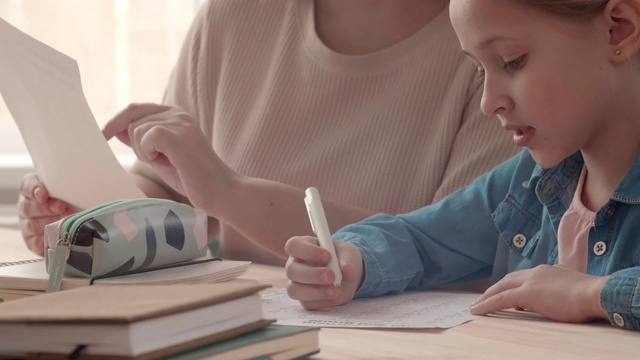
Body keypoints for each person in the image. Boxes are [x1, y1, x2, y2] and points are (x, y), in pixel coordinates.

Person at [17, 0, 516, 265]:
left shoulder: (496, 52)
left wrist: (230, 194)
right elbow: (178, 197)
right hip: (236, 330)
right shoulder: (234, 15)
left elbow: (453, 249)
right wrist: (93, 220)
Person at [284, 0, 640, 331]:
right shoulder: (525, 182)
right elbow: (422, 238)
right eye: (480, 70)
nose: (488, 103)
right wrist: (354, 260)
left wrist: (588, 293)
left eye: (511, 60)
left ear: (618, 29)